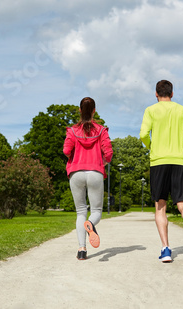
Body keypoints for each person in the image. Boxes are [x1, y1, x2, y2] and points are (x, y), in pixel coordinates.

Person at [140, 80, 183, 263]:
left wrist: (152, 146)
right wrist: (181, 146)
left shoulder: (150, 111)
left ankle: (166, 249)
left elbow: (144, 134)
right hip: (179, 162)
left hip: (158, 162)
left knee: (160, 207)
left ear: (156, 94)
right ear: (172, 93)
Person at [63, 97, 113, 260]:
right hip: (95, 173)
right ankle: (91, 225)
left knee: (80, 212)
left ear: (80, 110)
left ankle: (82, 250)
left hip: (76, 173)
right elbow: (109, 153)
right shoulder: (101, 130)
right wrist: (102, 162)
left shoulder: (72, 130)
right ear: (94, 111)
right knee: (96, 211)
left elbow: (66, 150)